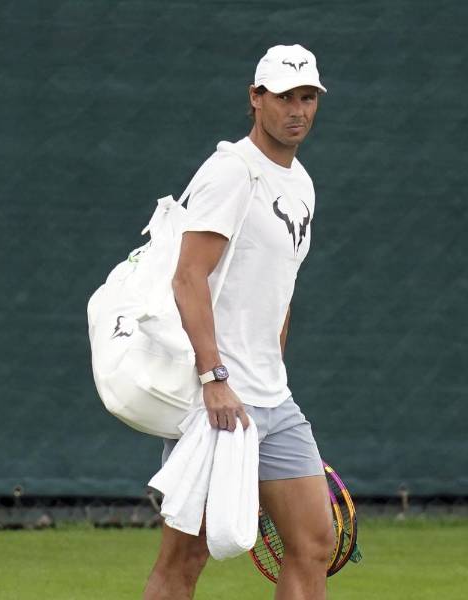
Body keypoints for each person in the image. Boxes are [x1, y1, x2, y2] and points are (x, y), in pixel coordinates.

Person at [143, 44, 334, 600]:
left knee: (313, 544)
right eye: (283, 97)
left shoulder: (301, 184)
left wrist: (269, 370)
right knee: (185, 557)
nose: (297, 110)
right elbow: (187, 278)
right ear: (255, 99)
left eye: (308, 98)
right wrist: (214, 379)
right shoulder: (231, 171)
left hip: (274, 399)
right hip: (218, 401)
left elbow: (279, 294)